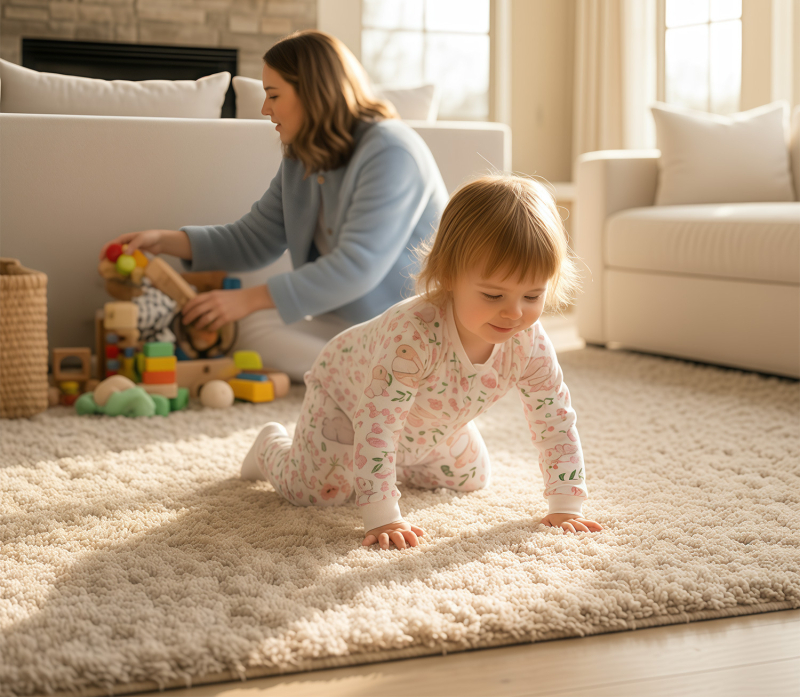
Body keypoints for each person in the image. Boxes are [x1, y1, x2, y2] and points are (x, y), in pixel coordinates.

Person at [240, 174, 603, 550]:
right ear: (448, 275)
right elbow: (377, 421)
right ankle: (270, 446)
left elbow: (554, 418)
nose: (514, 312)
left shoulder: (530, 342)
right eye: (493, 295)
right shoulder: (413, 335)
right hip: (347, 401)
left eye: (532, 294)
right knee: (316, 491)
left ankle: (401, 458)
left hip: (429, 419)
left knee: (471, 477)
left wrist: (566, 504)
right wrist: (383, 515)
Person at [99, 31, 449, 380]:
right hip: (352, 325)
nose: (265, 109)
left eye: (274, 95)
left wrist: (247, 299)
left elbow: (357, 266)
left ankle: (392, 374)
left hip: (410, 328)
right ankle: (369, 374)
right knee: (248, 331)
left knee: (247, 313)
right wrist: (163, 242)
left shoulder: (391, 151)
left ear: (313, 94)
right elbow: (253, 238)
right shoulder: (303, 156)